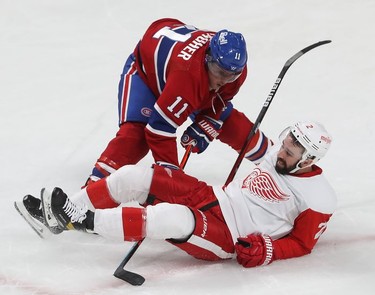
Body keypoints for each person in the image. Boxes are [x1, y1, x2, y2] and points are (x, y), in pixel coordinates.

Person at [17, 120, 336, 268]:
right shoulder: (276, 154)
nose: (282, 151)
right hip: (211, 195)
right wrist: (207, 127)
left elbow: (302, 244)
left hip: (229, 235)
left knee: (171, 218)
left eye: (292, 150)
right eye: (285, 142)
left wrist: (268, 250)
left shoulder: (319, 196)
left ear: (309, 160)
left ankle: (80, 220)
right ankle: (59, 213)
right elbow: (237, 130)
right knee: (135, 176)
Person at [83, 18, 271, 185]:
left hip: (178, 69)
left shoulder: (235, 71)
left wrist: (212, 119)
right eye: (220, 72)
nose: (224, 80)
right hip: (146, 73)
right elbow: (159, 129)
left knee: (230, 124)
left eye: (231, 76)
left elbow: (221, 99)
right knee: (136, 136)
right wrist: (172, 181)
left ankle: (279, 165)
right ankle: (93, 190)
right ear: (208, 58)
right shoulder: (187, 76)